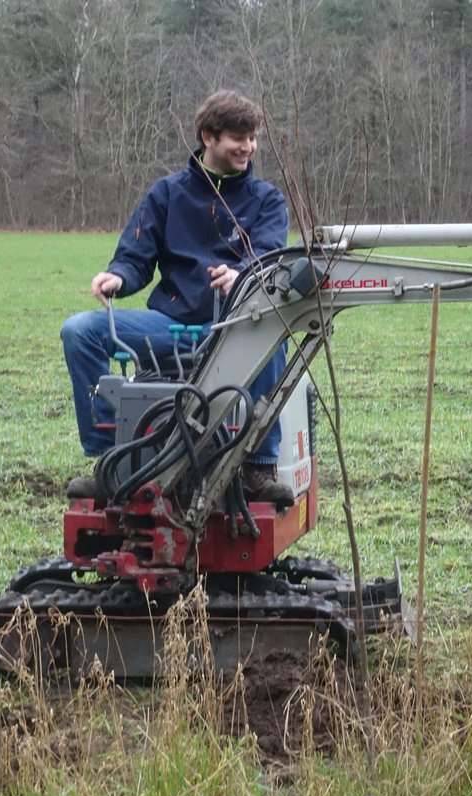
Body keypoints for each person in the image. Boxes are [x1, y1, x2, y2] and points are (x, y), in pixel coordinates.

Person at [60, 89, 292, 506]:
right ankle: (111, 459)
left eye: (253, 137)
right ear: (208, 136)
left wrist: (241, 278)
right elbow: (134, 259)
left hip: (234, 325)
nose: (249, 147)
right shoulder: (166, 195)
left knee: (273, 329)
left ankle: (259, 464)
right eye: (239, 137)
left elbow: (269, 262)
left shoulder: (267, 201)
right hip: (169, 325)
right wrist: (116, 277)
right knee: (79, 331)